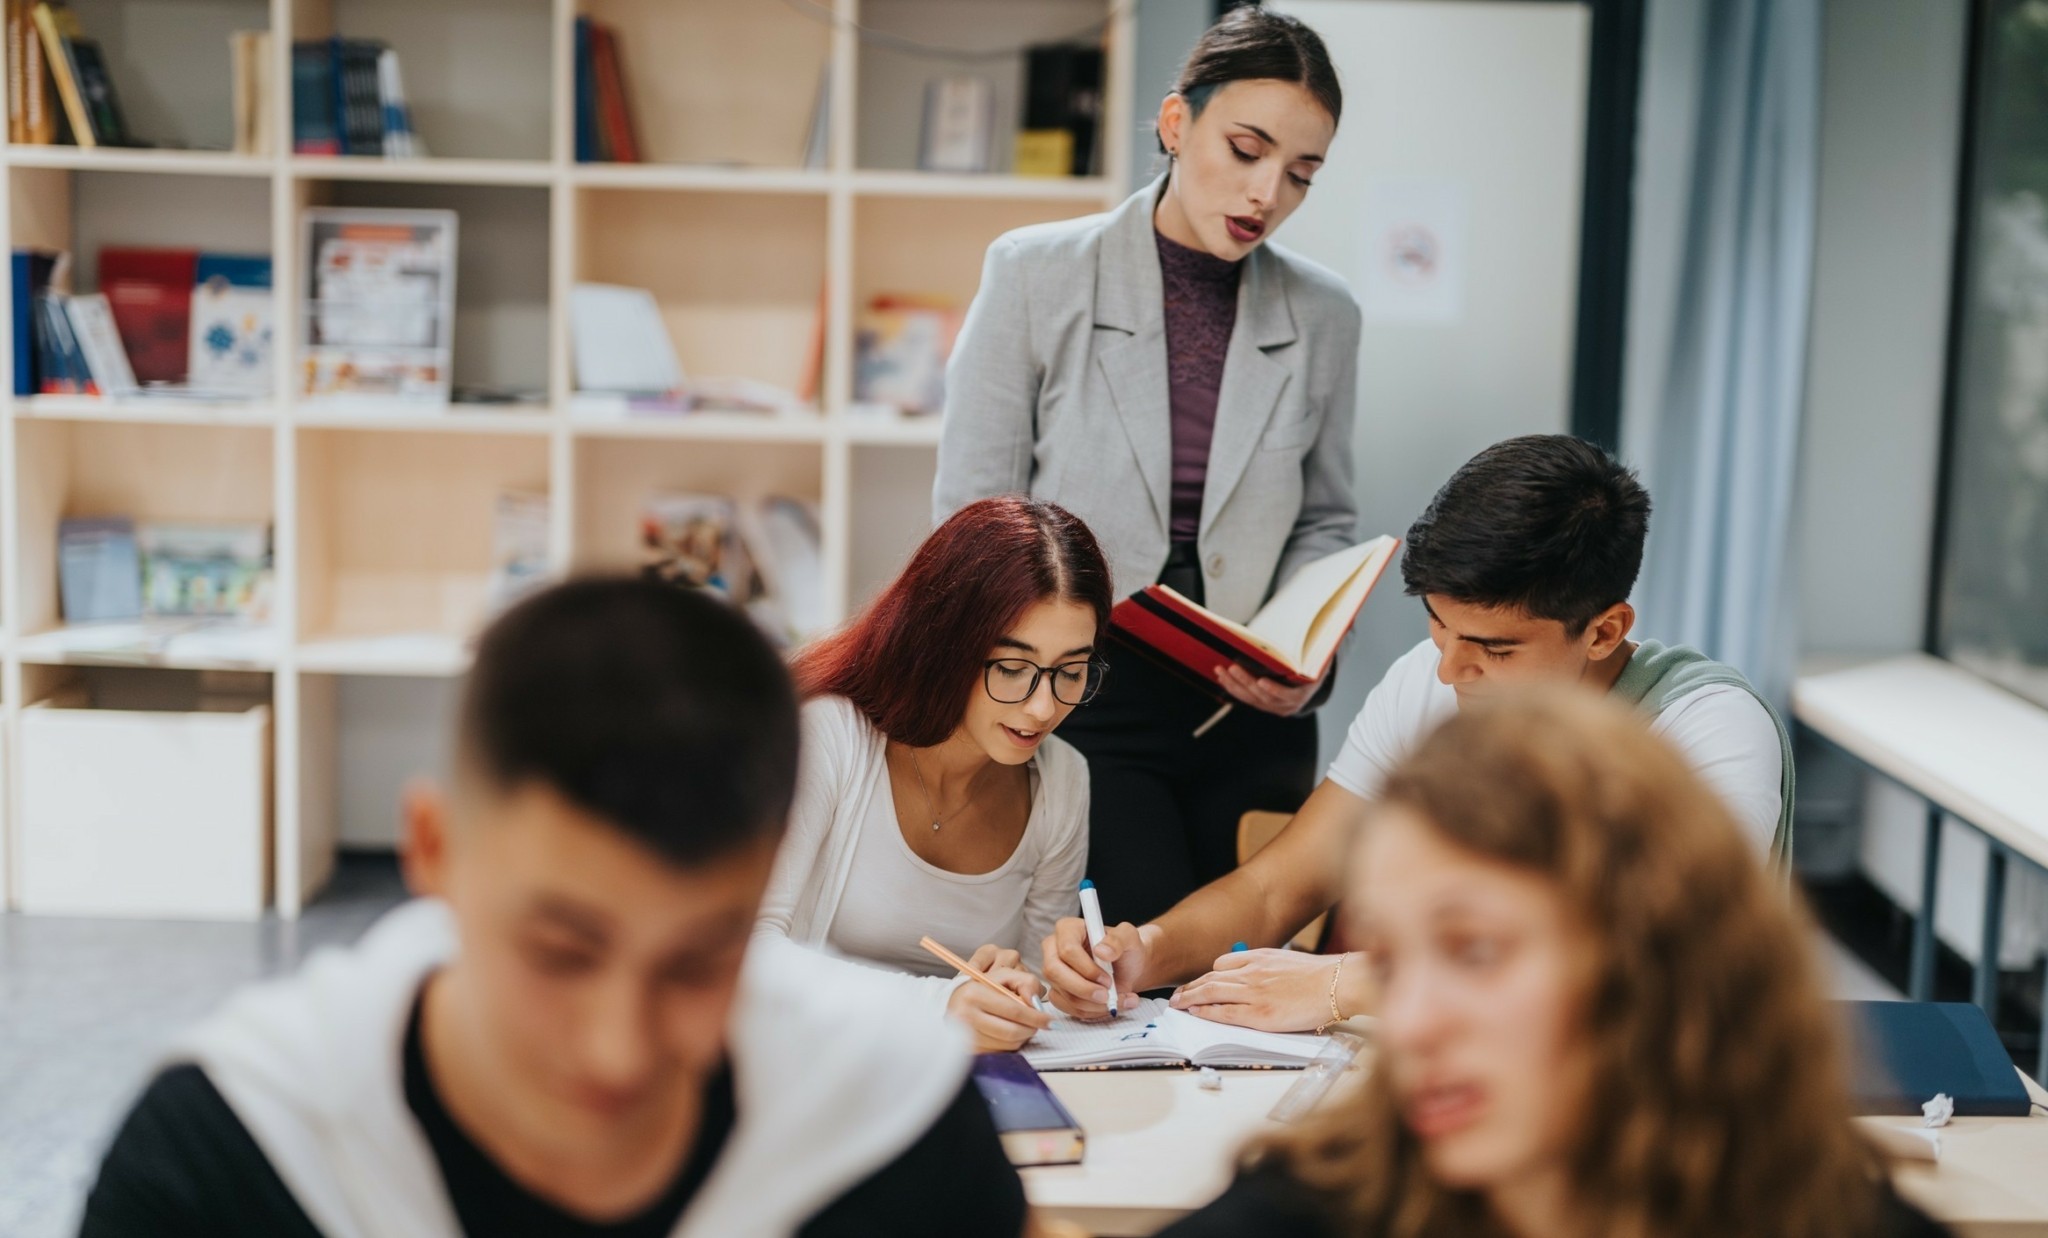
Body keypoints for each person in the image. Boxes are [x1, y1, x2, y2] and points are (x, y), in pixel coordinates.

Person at [79, 579, 1031, 1237]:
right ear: (433, 849)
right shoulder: (232, 1152)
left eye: (701, 960)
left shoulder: (894, 1128)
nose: (618, 1046)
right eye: (559, 952)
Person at [1044, 435, 1795, 1032]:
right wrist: (1144, 951)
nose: (1451, 671)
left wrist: (1348, 981)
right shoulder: (1431, 677)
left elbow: (1645, 955)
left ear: (1604, 631)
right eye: (1438, 627)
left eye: (1496, 650)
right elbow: (1278, 888)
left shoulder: (1710, 730)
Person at [1153, 691, 1949, 1238]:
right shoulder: (1307, 1213)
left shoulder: (1835, 1220)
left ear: (1652, 957)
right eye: (1392, 962)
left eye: (1475, 951)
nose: (1413, 1022)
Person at [935, 7, 1361, 926]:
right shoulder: (1036, 273)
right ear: (1177, 125)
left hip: (1253, 708)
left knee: (1253, 984)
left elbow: (1325, 516)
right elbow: (975, 506)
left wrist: (1308, 662)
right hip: (1087, 692)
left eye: (1301, 173)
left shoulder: (1326, 315)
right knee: (1139, 964)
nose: (1267, 193)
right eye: (1245, 149)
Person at [759, 497, 1110, 1054]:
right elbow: (749, 955)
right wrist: (940, 1005)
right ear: (945, 646)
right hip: (812, 1065)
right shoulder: (830, 736)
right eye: (1012, 668)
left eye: (1070, 671)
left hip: (956, 1078)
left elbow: (1033, 996)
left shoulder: (1062, 780)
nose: (1043, 707)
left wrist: (1032, 991)